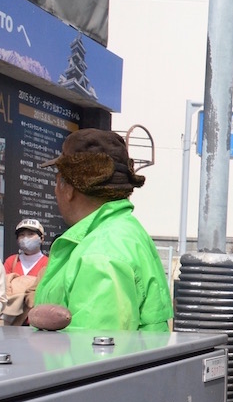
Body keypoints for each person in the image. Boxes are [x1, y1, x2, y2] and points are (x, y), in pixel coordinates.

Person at [33, 128, 173, 331]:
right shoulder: (126, 231)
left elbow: (93, 352)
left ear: (69, 189)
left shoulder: (100, 253)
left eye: (57, 181)